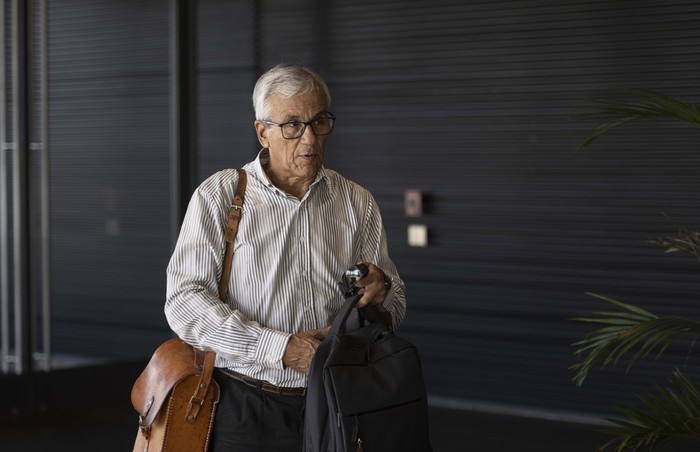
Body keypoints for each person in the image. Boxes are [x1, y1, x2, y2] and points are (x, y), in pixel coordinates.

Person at [164, 63, 406, 451]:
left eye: (319, 121)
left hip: (337, 402)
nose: (309, 137)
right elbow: (184, 304)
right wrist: (280, 348)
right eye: (292, 124)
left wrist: (382, 292)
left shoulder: (356, 201)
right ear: (263, 132)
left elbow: (395, 310)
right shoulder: (220, 196)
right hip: (246, 404)